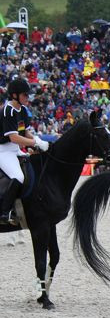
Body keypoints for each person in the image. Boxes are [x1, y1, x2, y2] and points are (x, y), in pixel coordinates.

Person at [0, 78, 49, 225]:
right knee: (18, 176)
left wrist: (37, 141)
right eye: (25, 95)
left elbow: (25, 133)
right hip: (3, 151)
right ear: (14, 95)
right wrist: (34, 142)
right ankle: (4, 212)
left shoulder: (23, 110)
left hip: (15, 150)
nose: (27, 97)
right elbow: (14, 137)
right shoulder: (8, 110)